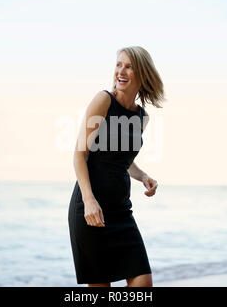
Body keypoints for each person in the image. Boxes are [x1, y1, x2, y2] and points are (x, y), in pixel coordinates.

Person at [68, 46, 166, 287]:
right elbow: (80, 154)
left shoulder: (142, 117)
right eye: (118, 65)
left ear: (142, 74)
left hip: (122, 211)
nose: (121, 71)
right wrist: (89, 200)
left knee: (143, 283)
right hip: (91, 209)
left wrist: (143, 176)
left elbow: (122, 159)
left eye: (129, 66)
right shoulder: (103, 100)